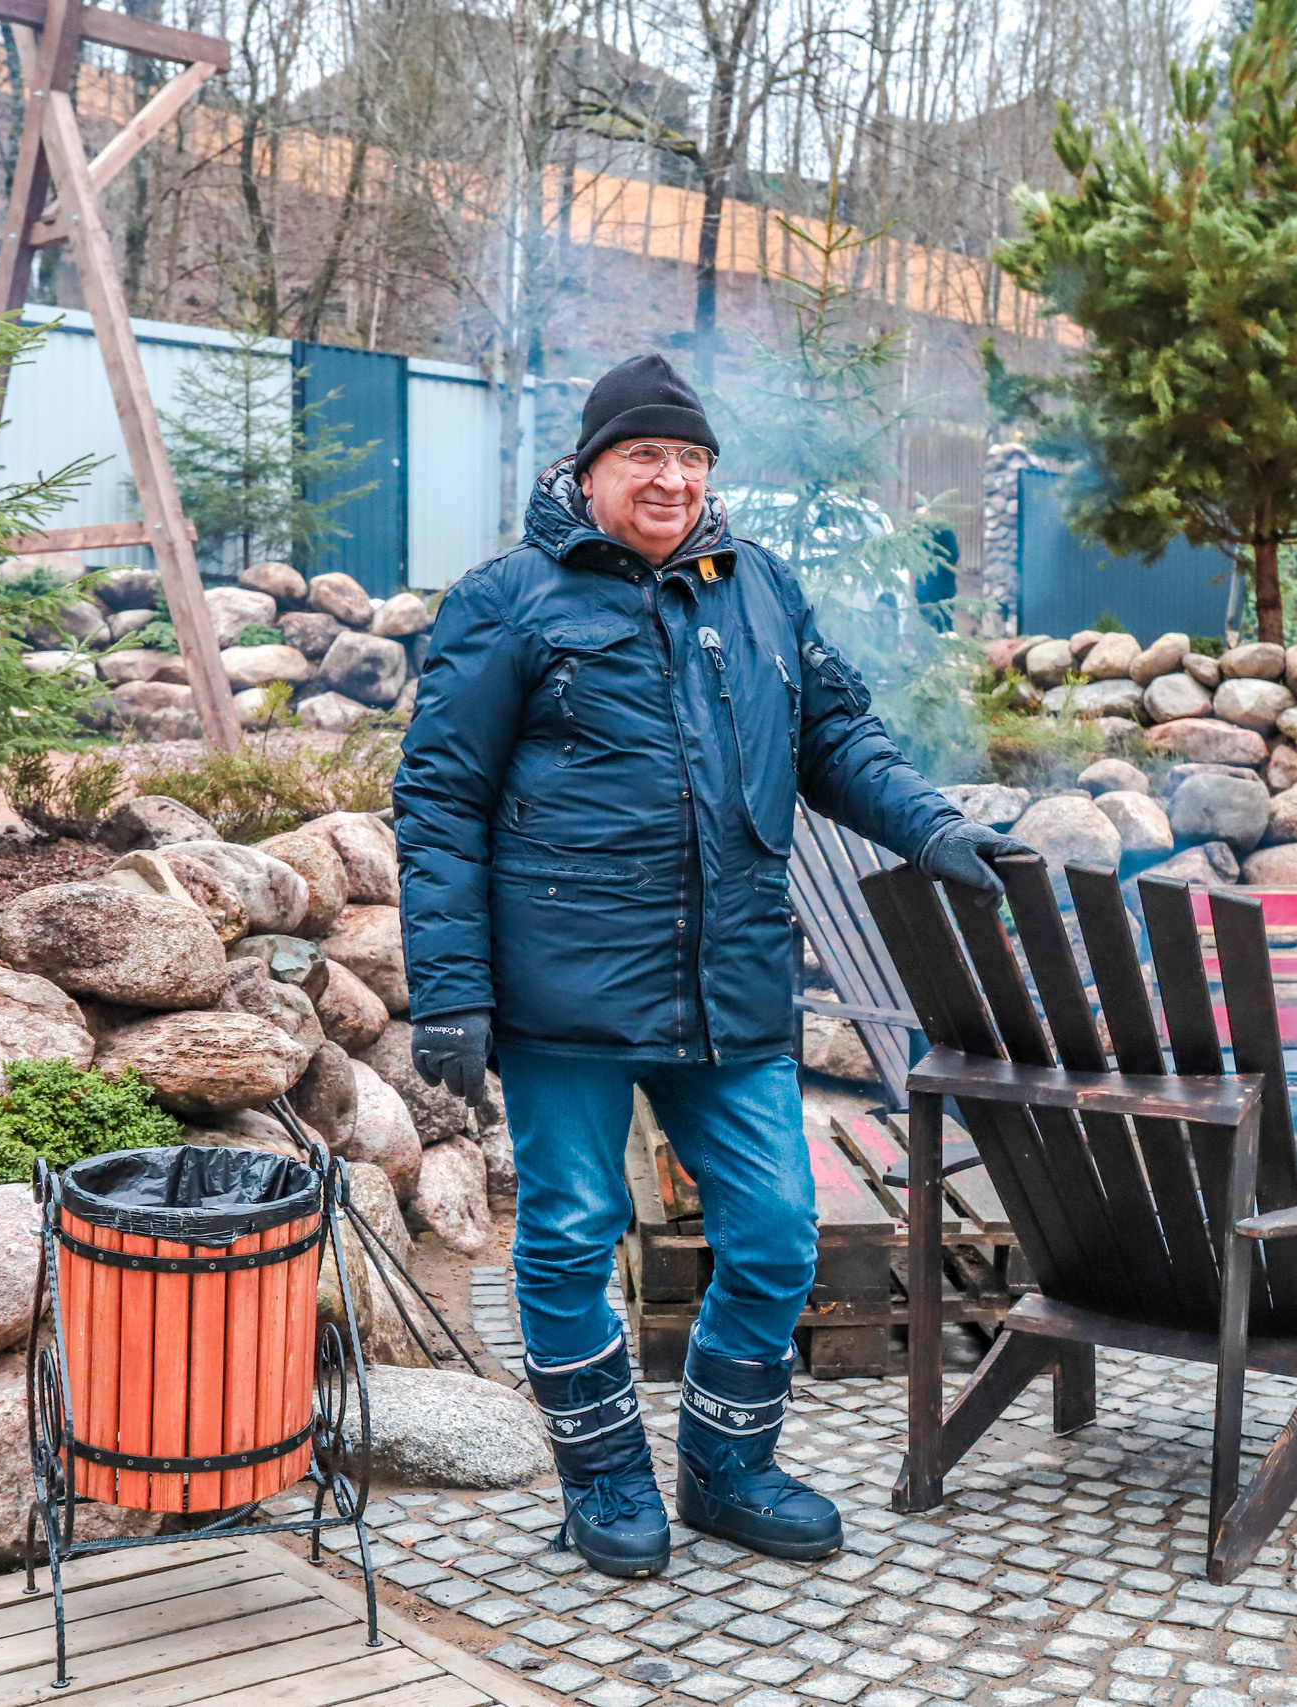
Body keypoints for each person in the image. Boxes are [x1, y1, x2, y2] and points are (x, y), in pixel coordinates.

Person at [393, 353, 1031, 1578]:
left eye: (690, 459)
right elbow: (439, 800)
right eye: (644, 456)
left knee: (779, 1234)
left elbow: (834, 735)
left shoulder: (759, 590)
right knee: (573, 1235)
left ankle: (728, 1465)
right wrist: (456, 989)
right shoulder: (508, 601)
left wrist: (934, 826)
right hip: (563, 990)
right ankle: (606, 1480)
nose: (671, 479)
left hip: (729, 981)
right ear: (586, 475)